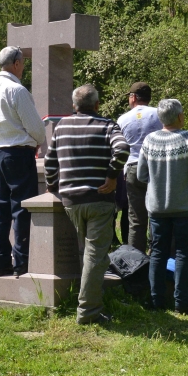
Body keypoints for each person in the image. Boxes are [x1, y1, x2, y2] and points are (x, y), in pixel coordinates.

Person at [44, 85, 129, 325]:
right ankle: (88, 311)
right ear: (97, 105)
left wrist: (53, 187)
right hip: (99, 199)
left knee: (91, 254)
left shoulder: (61, 126)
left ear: (74, 106)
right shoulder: (108, 125)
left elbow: (50, 164)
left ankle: (91, 299)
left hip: (71, 201)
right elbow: (122, 149)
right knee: (94, 254)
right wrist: (112, 176)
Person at [137, 99, 188, 314]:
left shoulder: (149, 140)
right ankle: (183, 303)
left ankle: (156, 300)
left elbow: (141, 175)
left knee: (157, 252)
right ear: (180, 116)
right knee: (183, 253)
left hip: (157, 206)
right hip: (185, 206)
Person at [0, 46, 45, 276]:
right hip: (18, 153)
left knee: (2, 209)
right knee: (21, 208)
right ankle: (21, 261)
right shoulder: (17, 90)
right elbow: (36, 126)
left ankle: (0, 261)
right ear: (17, 63)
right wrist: (38, 140)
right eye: (23, 63)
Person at [117, 82, 163, 251]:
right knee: (157, 215)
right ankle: (158, 258)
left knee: (136, 218)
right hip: (157, 167)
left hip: (133, 167)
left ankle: (136, 261)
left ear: (133, 97)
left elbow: (119, 146)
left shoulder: (123, 118)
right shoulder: (159, 114)